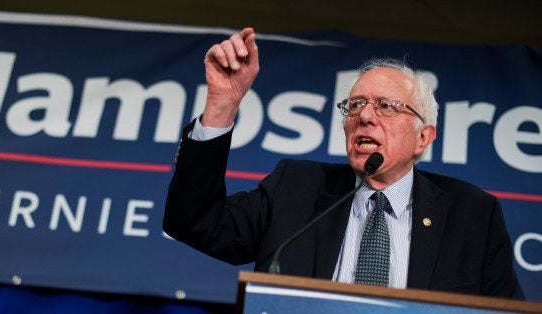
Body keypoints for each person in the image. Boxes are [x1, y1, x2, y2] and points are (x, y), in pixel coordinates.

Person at [163, 28, 524, 299]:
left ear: (423, 137)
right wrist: (222, 104)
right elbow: (194, 223)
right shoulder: (296, 187)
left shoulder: (473, 214)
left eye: (386, 106)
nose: (365, 116)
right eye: (355, 105)